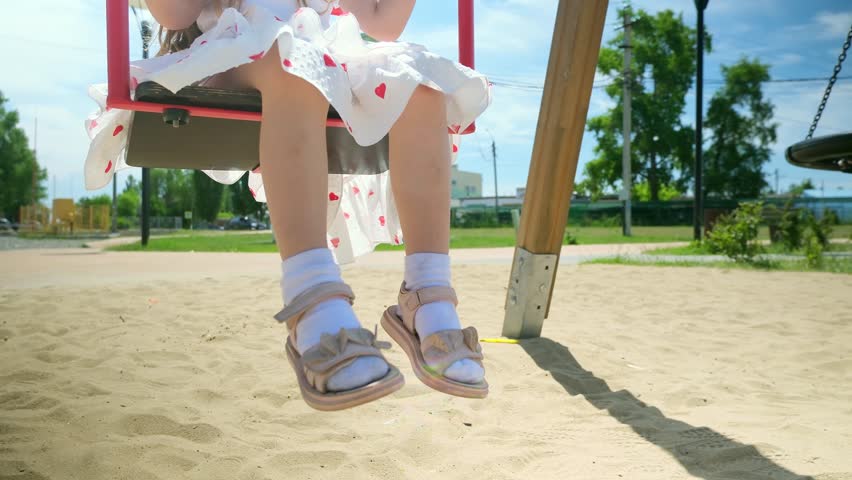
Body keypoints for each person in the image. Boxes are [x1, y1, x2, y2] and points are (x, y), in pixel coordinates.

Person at [84, 0, 490, 410]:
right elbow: (173, 15)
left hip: (335, 53)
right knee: (296, 62)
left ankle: (426, 291)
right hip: (241, 51)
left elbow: (384, 25)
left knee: (421, 84)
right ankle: (310, 293)